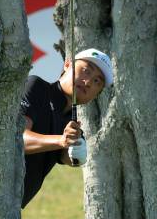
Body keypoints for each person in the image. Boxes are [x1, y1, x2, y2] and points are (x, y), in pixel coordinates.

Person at [21, 49, 113, 208]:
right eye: (85, 71)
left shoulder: (72, 125)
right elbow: (17, 140)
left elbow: (67, 157)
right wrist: (61, 141)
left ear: (96, 94)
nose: (88, 82)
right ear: (68, 64)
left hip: (12, 209)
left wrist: (75, 155)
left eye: (97, 81)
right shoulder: (36, 87)